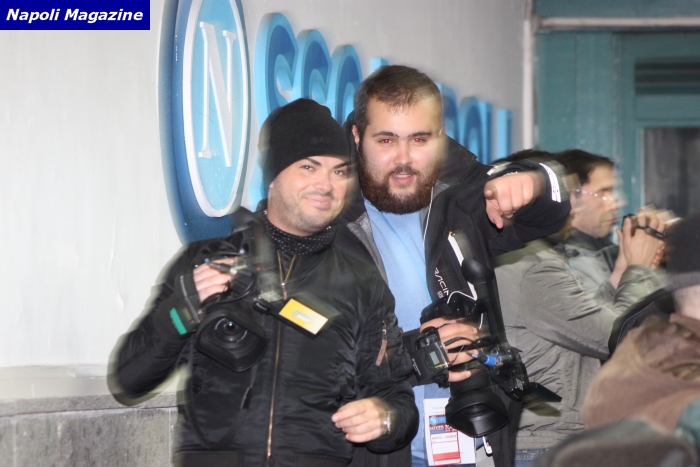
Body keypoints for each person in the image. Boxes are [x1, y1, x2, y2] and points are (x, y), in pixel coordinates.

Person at [110, 99, 418, 467]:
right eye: (309, 167)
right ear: (273, 175)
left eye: (339, 172)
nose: (326, 185)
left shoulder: (362, 283)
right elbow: (129, 380)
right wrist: (181, 310)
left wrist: (384, 418)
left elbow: (399, 402)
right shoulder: (205, 261)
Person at [337, 65, 571, 467]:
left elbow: (549, 213)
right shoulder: (328, 220)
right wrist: (419, 354)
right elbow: (311, 360)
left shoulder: (460, 200)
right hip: (373, 450)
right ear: (358, 137)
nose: (404, 159)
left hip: (474, 439)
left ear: (441, 137)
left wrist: (533, 181)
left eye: (420, 139)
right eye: (386, 140)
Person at [494, 149, 666, 467]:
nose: (570, 209)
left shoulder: (524, 257)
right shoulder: (532, 265)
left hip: (542, 438)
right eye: (561, 196)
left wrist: (622, 271)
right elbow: (617, 339)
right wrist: (639, 269)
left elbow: (583, 326)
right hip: (545, 442)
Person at [583, 211, 700, 434]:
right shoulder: (688, 399)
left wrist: (627, 271)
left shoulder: (633, 362)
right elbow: (604, 332)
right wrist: (638, 269)